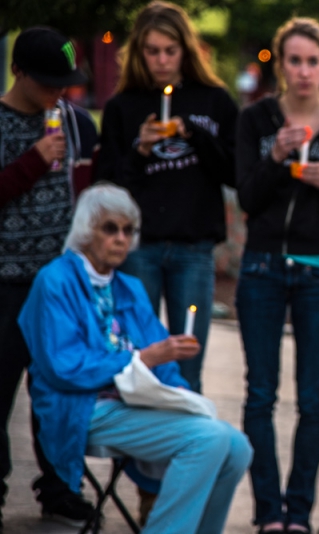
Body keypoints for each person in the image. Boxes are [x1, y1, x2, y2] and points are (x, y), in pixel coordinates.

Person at [17, 183, 252, 534]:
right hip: (82, 407)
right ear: (85, 230)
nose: (121, 239)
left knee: (237, 447)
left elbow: (164, 365)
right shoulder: (55, 281)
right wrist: (141, 358)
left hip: (133, 402)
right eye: (110, 228)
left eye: (128, 230)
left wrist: (184, 397)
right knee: (208, 440)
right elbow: (63, 368)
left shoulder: (128, 287)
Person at [235, 17, 319, 534]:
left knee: (312, 398)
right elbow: (247, 197)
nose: (304, 70)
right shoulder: (257, 120)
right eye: (294, 60)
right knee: (260, 395)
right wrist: (276, 156)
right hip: (263, 266)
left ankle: (299, 515)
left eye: (313, 61)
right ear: (281, 64)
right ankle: (268, 513)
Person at [95, 0, 238, 394]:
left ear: (186, 50)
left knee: (187, 366)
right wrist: (139, 150)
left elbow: (236, 172)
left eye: (170, 51)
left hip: (194, 247)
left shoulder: (215, 101)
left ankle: (186, 452)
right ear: (139, 53)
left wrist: (193, 132)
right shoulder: (123, 107)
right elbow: (105, 187)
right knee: (137, 360)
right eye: (152, 51)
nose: (161, 60)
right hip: (139, 247)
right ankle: (132, 456)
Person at [0, 26, 98, 529]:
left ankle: (60, 487)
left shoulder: (77, 124)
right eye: (47, 83)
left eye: (66, 82)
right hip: (6, 284)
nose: (58, 92)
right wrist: (32, 162)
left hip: (58, 286)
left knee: (58, 394)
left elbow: (92, 192)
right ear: (17, 71)